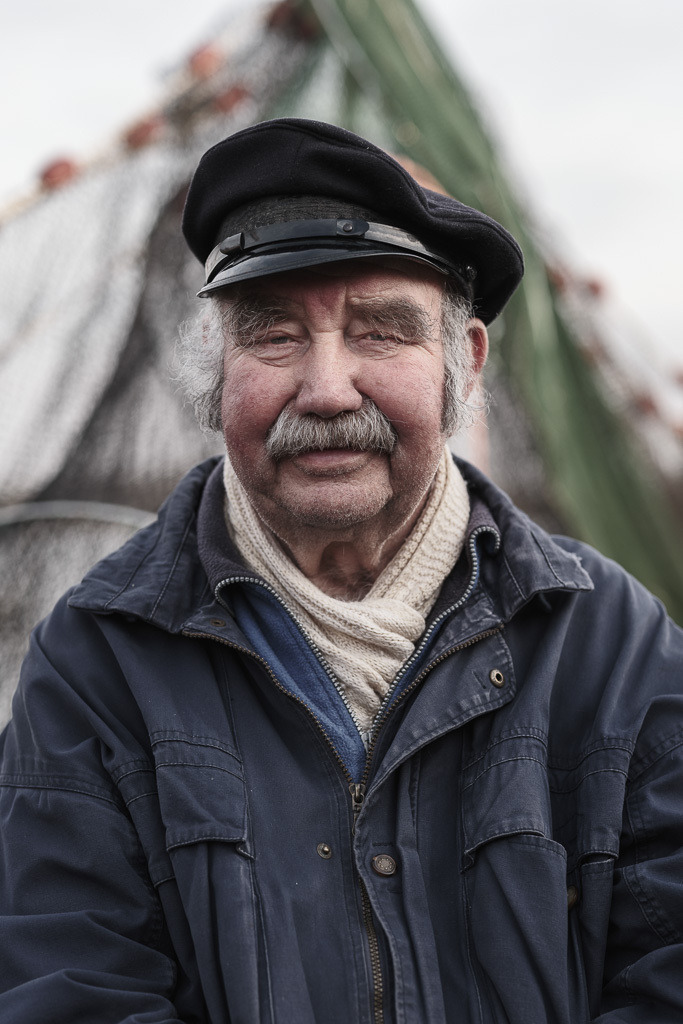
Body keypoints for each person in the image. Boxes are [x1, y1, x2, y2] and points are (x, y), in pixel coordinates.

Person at [1, 118, 682, 1024]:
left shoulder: (613, 645)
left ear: (462, 361)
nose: (325, 389)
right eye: (273, 336)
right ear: (215, 370)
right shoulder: (97, 662)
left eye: (380, 332)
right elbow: (67, 987)